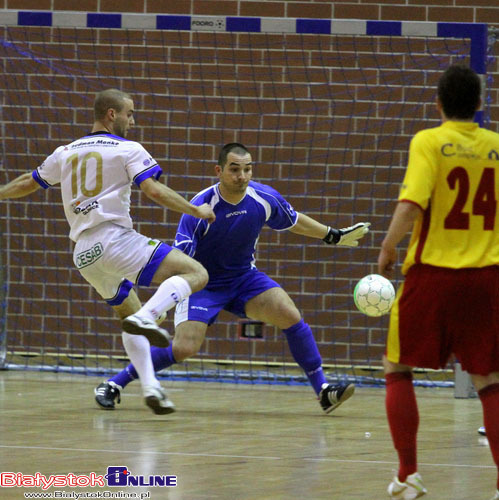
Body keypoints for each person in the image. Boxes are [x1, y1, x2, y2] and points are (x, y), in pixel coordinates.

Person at [94, 142, 370, 415]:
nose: (242, 176)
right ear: (219, 171)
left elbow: (294, 220)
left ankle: (323, 391)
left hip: (243, 279)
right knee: (184, 347)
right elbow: (179, 263)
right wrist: (162, 304)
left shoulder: (263, 198)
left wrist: (332, 235)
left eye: (248, 169)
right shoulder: (200, 207)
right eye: (235, 169)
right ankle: (115, 384)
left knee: (289, 314)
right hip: (202, 284)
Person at [0, 89, 216, 415]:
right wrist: (194, 209)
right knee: (197, 273)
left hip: (84, 255)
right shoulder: (128, 149)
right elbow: (153, 189)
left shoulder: (66, 151)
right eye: (130, 113)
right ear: (112, 114)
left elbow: (27, 183)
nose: (133, 120)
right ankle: (149, 317)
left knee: (127, 315)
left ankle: (151, 387)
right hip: (114, 239)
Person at [377, 64, 499, 499]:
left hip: (433, 274)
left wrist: (388, 247)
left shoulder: (429, 141)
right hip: (487, 278)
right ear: (481, 104)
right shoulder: (496, 147)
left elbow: (412, 202)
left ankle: (408, 474)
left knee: (397, 366)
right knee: (488, 378)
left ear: (439, 104)